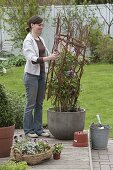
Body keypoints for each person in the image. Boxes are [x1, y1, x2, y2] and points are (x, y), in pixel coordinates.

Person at [23, 15, 59, 138]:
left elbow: (48, 54)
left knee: (39, 104)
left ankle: (38, 129)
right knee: (30, 104)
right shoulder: (28, 41)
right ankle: (28, 130)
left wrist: (54, 55)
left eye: (42, 25)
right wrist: (49, 58)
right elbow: (33, 59)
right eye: (39, 25)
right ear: (32, 25)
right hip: (31, 76)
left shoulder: (40, 39)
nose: (41, 27)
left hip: (41, 75)